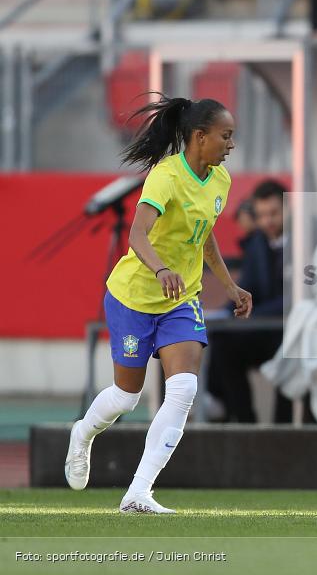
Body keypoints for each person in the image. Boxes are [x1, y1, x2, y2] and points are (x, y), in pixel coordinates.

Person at [63, 95, 252, 513]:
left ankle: (138, 493)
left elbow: (204, 235)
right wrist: (162, 269)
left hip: (181, 299)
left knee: (183, 389)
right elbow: (138, 235)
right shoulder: (165, 176)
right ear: (199, 136)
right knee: (126, 397)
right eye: (225, 136)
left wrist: (230, 286)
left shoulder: (220, 181)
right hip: (134, 296)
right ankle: (83, 433)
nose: (231, 144)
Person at [207, 179, 292, 423]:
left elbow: (296, 299)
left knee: (292, 354)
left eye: (273, 213)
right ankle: (243, 422)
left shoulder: (305, 240)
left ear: (288, 209)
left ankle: (283, 430)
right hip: (263, 330)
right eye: (261, 215)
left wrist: (252, 314)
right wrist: (227, 314)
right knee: (222, 340)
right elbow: (246, 288)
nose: (267, 221)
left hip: (291, 332)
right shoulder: (257, 243)